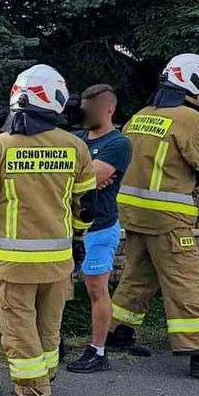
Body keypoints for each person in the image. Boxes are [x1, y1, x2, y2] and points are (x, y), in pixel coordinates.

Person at [0, 64, 97, 396]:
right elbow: (88, 206)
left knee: (19, 326)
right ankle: (46, 376)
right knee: (49, 324)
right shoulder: (75, 147)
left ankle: (32, 393)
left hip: (14, 263)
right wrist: (78, 237)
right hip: (58, 261)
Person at [108, 53, 199, 379]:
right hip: (169, 219)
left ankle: (118, 333)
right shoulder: (193, 122)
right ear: (194, 84)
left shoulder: (141, 116)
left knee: (138, 276)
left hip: (133, 214)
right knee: (186, 282)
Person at [66, 85, 132, 373]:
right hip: (69, 227)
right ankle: (53, 341)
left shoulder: (119, 143)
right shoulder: (76, 137)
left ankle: (97, 350)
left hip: (100, 227)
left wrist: (84, 176)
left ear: (109, 109)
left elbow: (89, 178)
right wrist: (84, 176)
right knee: (59, 288)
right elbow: (71, 177)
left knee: (96, 289)